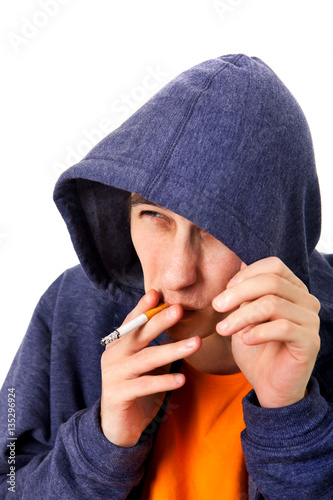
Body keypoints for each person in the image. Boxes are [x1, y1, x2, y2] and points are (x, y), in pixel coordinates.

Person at [1, 53, 333, 499]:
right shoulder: (70, 307)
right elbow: (10, 478)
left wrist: (291, 415)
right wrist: (101, 443)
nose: (178, 275)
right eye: (155, 216)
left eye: (217, 230)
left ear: (278, 232)